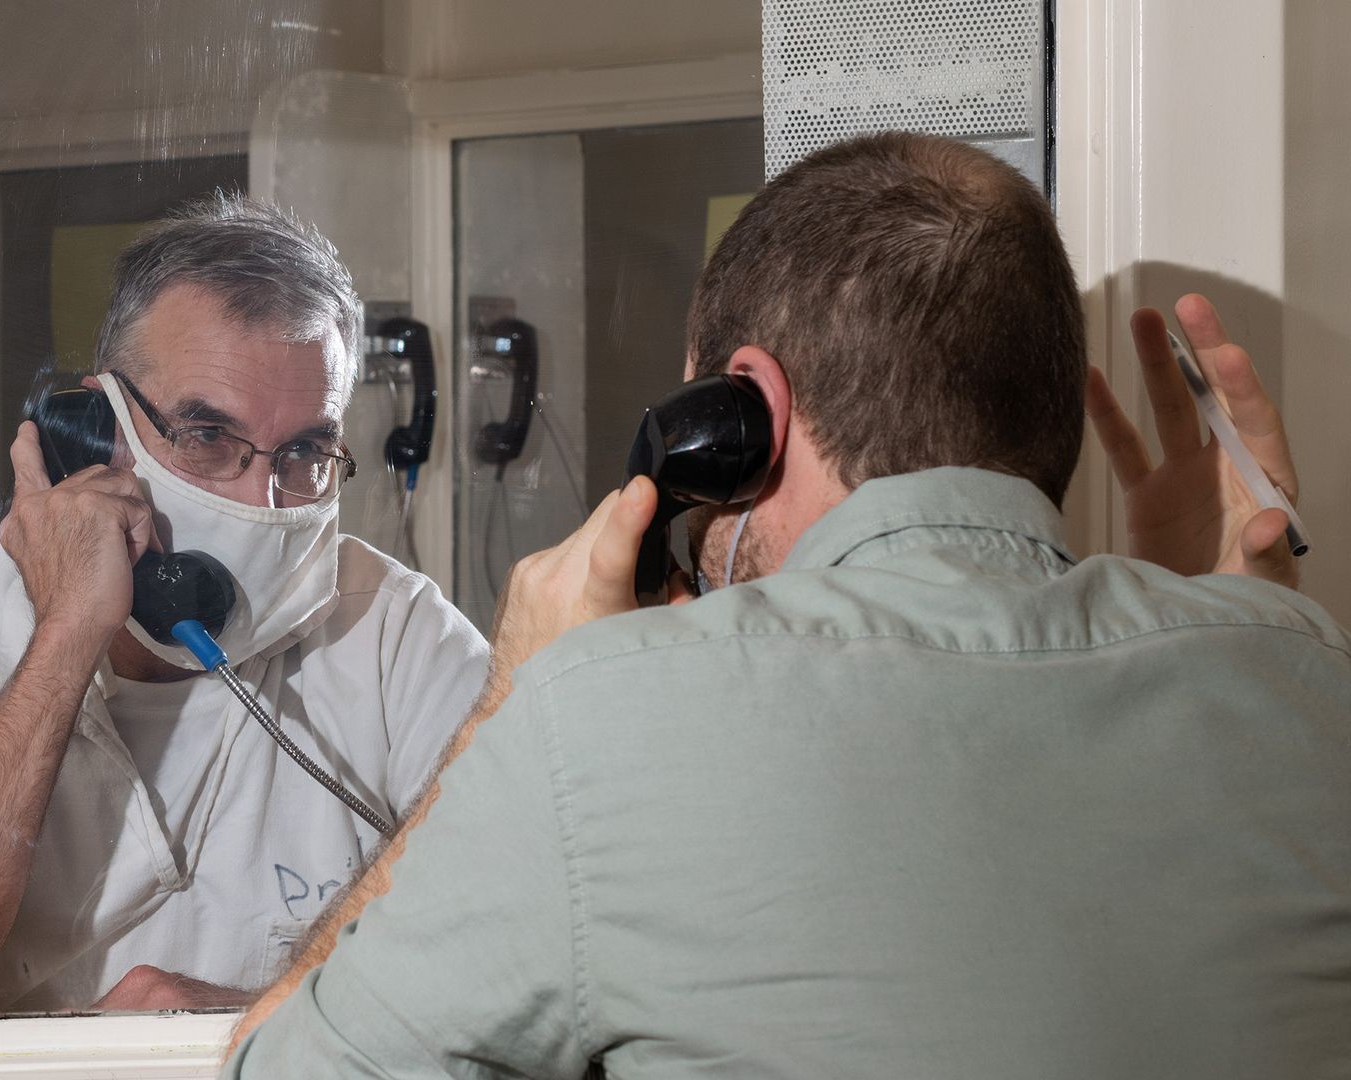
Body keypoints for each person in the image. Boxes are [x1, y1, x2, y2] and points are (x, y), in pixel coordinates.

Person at [225, 132, 1351, 1077]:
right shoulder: (1306, 684)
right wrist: (1239, 625)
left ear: (743, 410)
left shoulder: (604, 723)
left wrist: (512, 703)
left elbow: (275, 1067)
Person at [0, 194, 489, 1017]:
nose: (263, 499)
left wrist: (250, 1022)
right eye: (207, 437)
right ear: (96, 430)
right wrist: (66, 637)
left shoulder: (397, 635)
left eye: (304, 453)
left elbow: (527, 953)